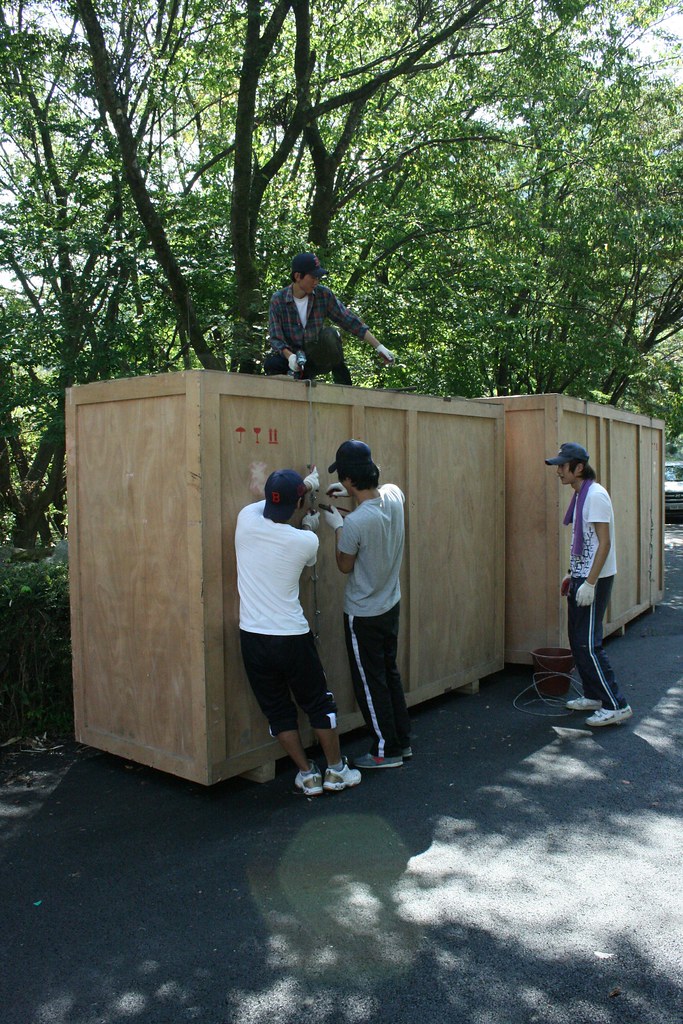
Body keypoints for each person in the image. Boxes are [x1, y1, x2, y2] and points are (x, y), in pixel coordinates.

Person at [235, 466, 361, 794]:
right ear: (299, 504)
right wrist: (308, 521)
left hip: (253, 637)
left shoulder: (245, 520)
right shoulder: (306, 541)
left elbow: (271, 503)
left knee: (277, 711)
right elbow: (308, 559)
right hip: (291, 637)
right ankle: (336, 770)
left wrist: (302, 487)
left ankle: (307, 775)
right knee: (319, 703)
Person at [321, 440, 411, 767]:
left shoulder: (356, 524)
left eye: (343, 479)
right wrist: (351, 494)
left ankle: (385, 752)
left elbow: (344, 564)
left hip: (363, 614)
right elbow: (380, 493)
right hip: (390, 605)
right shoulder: (394, 495)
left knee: (370, 685)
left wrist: (338, 528)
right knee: (388, 674)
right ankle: (401, 741)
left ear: (348, 479)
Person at [545, 442, 633, 726]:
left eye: (563, 466)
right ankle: (594, 696)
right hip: (582, 575)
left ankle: (616, 704)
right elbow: (584, 542)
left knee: (589, 644)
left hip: (595, 578)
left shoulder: (595, 496)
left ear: (579, 467)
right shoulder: (580, 495)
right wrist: (572, 574)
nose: (559, 471)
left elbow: (604, 543)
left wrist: (590, 583)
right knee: (577, 641)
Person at [265, 252, 395, 385]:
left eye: (318, 278)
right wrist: (290, 357)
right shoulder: (278, 299)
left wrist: (379, 347)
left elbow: (350, 321)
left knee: (330, 335)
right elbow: (276, 337)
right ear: (298, 276)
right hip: (292, 358)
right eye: (313, 277)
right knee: (271, 363)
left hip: (315, 357)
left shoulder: (323, 295)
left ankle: (345, 386)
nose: (316, 282)